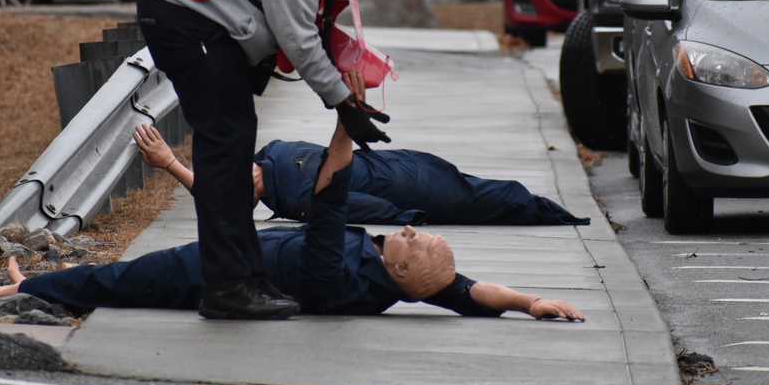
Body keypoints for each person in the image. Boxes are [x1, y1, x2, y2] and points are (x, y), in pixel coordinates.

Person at [0, 122, 585, 323]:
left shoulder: (333, 271)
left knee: (125, 282)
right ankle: (39, 282)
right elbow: (472, 294)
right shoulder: (397, 280)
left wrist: (345, 123)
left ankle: (17, 289)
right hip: (242, 254)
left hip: (214, 270)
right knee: (121, 276)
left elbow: (331, 192)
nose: (412, 229)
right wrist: (532, 303)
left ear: (399, 268)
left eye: (414, 240)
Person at [136, 0, 407, 320]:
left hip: (196, 13)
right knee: (225, 145)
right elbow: (296, 37)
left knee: (236, 141)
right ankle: (226, 286)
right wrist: (343, 104)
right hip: (186, 16)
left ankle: (246, 275)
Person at [132, 124, 590, 227]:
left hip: (399, 163)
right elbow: (363, 207)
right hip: (407, 186)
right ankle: (555, 214)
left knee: (474, 187)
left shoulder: (268, 155)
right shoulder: (298, 197)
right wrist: (171, 165)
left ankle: (545, 209)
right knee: (488, 199)